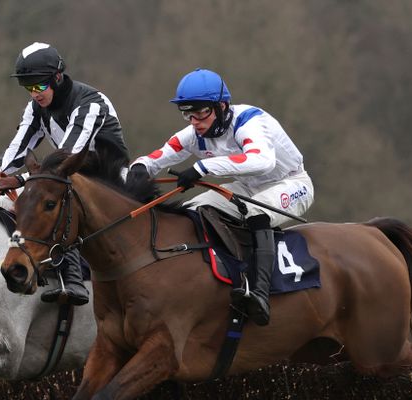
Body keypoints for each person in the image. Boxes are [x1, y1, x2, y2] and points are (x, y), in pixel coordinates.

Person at [126, 68, 314, 326]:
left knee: (257, 213)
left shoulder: (249, 121)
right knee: (193, 208)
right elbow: (158, 157)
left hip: (291, 182)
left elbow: (262, 161)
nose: (194, 121)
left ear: (222, 106)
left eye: (201, 112)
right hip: (248, 187)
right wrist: (139, 168)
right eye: (187, 113)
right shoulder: (194, 134)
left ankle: (259, 293)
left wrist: (203, 168)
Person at [0, 42, 130, 306]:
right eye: (28, 88)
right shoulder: (36, 107)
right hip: (66, 175)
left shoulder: (90, 103)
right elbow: (20, 145)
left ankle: (73, 279)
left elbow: (67, 156)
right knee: (6, 201)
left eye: (39, 86)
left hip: (108, 182)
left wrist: (20, 179)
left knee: (55, 197)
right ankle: (36, 264)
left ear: (57, 78)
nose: (35, 94)